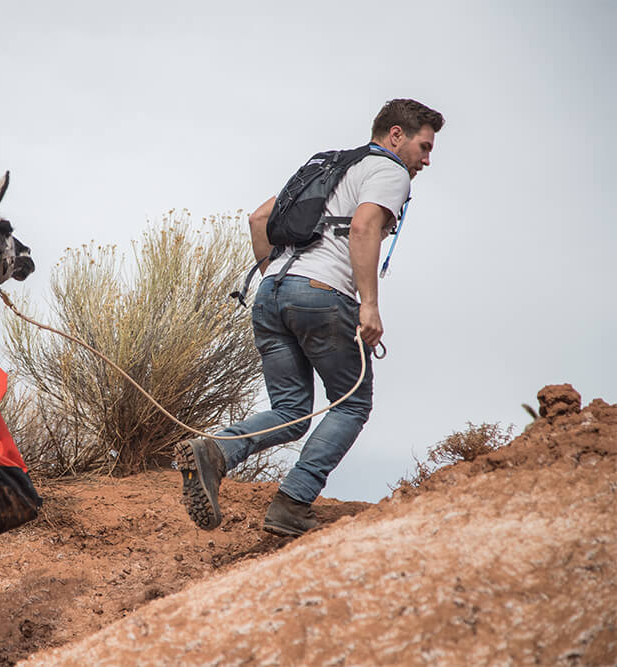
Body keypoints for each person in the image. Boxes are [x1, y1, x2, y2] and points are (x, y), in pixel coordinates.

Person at [176, 98, 444, 536]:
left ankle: (216, 452)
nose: (426, 161)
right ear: (396, 136)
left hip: (271, 294)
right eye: (424, 147)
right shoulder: (389, 170)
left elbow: (259, 218)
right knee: (353, 402)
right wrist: (369, 305)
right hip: (323, 295)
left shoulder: (331, 164)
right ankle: (293, 501)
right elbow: (362, 228)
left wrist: (280, 282)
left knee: (291, 410)